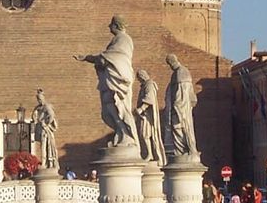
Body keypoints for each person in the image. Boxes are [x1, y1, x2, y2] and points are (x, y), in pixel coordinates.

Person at [74, 16, 138, 147]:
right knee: (109, 105)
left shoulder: (124, 39)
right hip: (111, 77)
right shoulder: (117, 40)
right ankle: (121, 133)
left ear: (116, 26)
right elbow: (106, 58)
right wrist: (89, 58)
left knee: (119, 105)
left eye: (111, 25)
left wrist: (87, 58)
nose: (109, 27)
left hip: (119, 77)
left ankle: (128, 135)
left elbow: (111, 57)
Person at [164, 54, 198, 159]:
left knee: (181, 127)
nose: (170, 66)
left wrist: (177, 107)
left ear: (173, 61)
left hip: (181, 108)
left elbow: (181, 93)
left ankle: (185, 150)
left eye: (170, 63)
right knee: (178, 128)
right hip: (179, 107)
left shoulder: (181, 72)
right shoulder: (176, 73)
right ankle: (181, 151)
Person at [134, 70, 166, 166]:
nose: (139, 80)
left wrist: (141, 109)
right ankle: (149, 154)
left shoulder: (149, 84)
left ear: (143, 76)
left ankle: (150, 154)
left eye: (139, 78)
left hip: (148, 115)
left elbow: (150, 98)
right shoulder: (145, 85)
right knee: (144, 134)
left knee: (145, 134)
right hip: (144, 115)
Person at [32, 88, 60, 170]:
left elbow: (51, 116)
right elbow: (34, 116)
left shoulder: (46, 106)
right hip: (41, 128)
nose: (39, 101)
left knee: (46, 145)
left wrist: (46, 123)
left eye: (40, 99)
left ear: (43, 98)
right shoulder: (38, 107)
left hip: (45, 129)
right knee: (42, 145)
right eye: (38, 99)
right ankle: (45, 162)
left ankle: (45, 163)